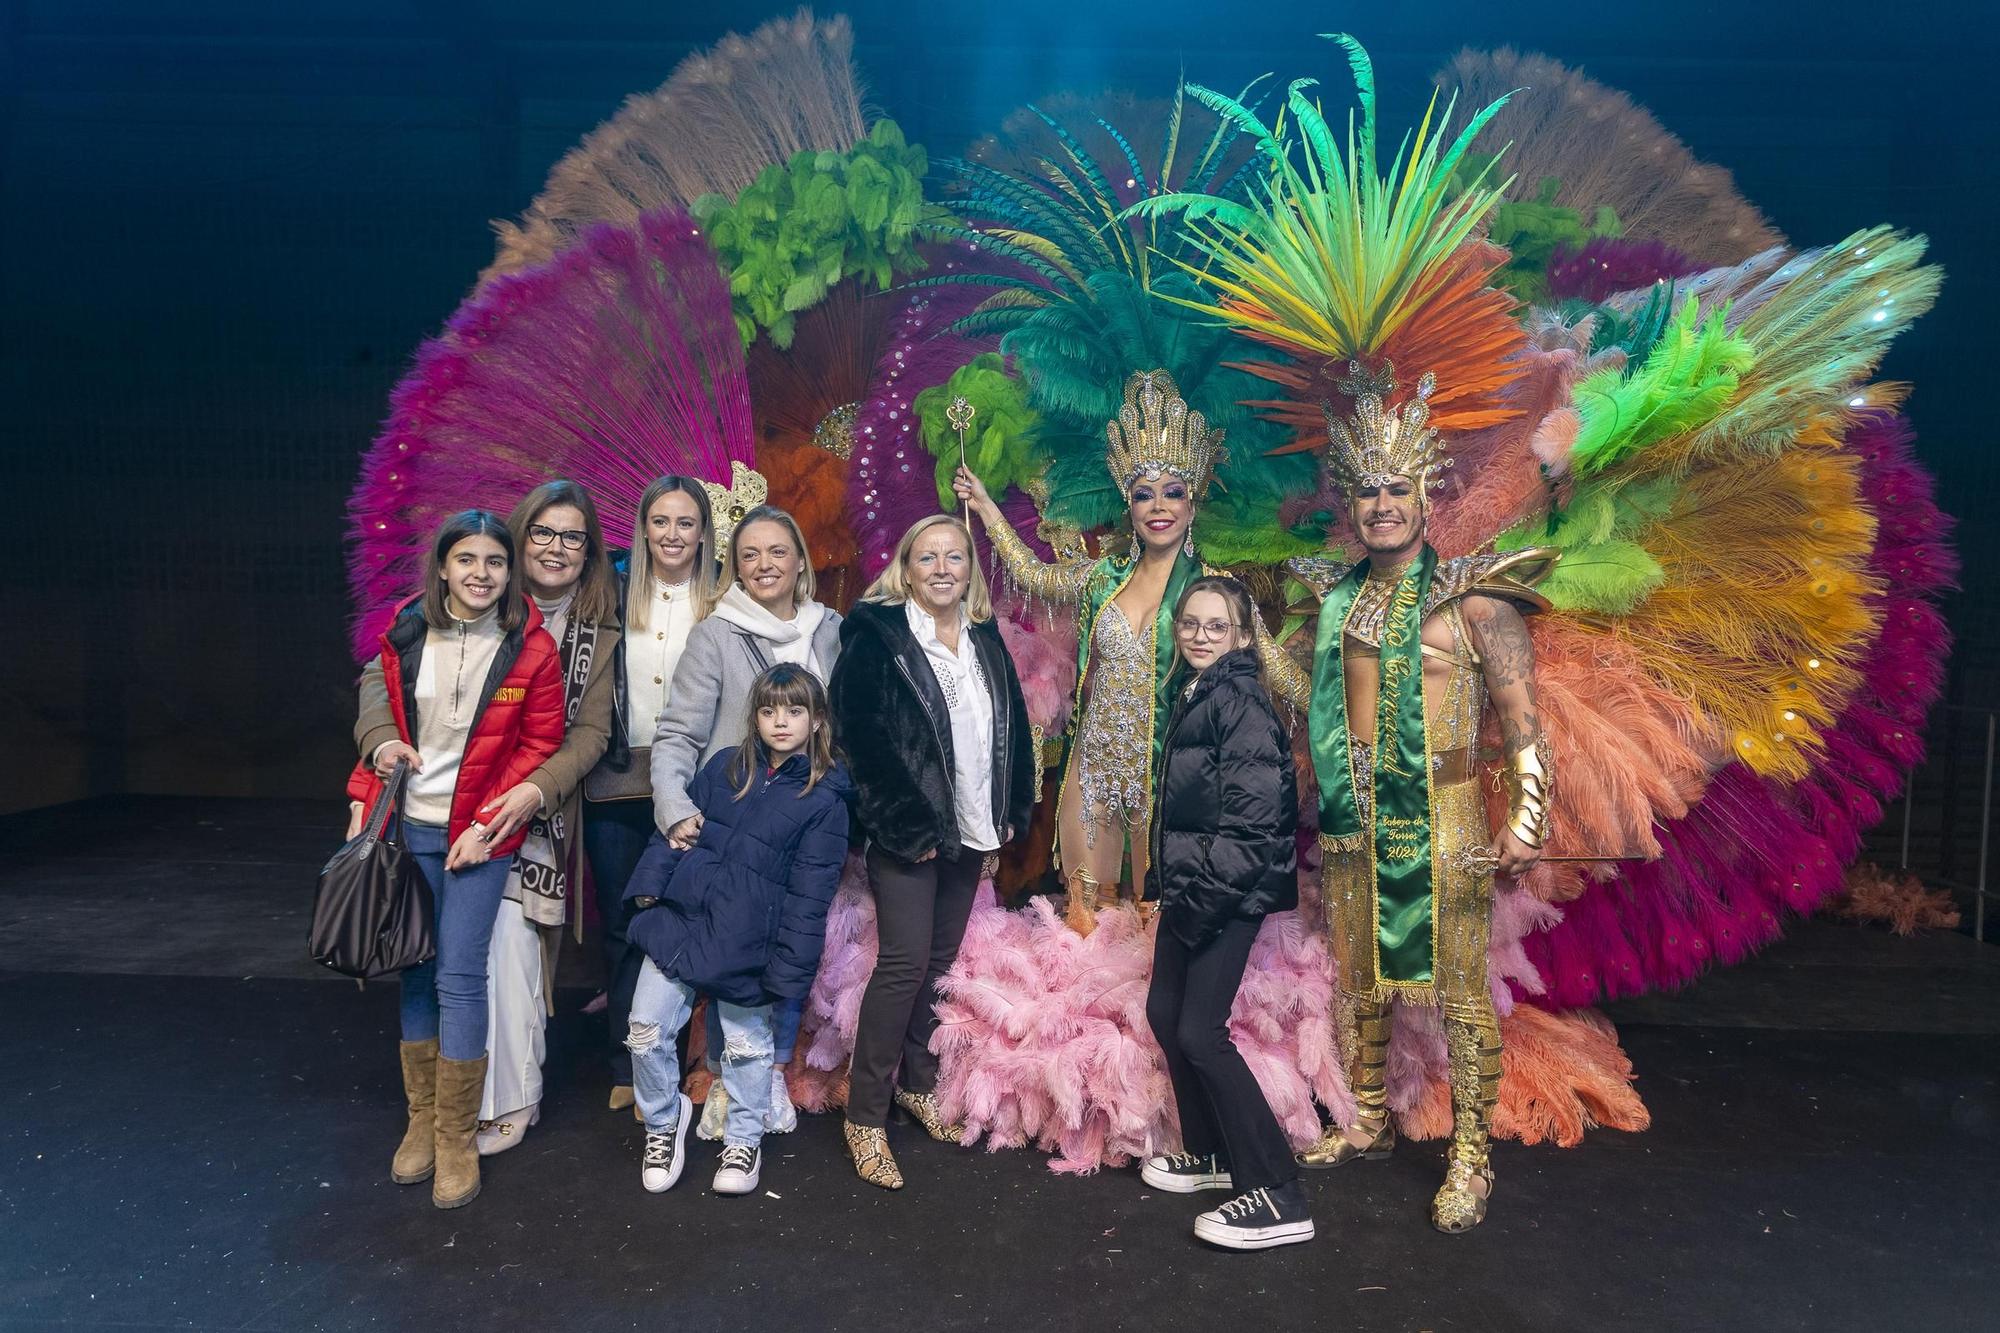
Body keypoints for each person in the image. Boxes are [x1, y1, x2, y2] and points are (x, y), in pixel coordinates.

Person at [1263, 372, 1556, 1233]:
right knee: (1361, 981)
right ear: (1350, 501)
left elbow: (1524, 724)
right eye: (1367, 489)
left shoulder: (1475, 597)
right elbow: (1311, 706)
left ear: (1425, 492)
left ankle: (1471, 1155)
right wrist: (1249, 635)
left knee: (1461, 992)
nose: (1382, 503)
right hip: (1354, 819)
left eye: (1397, 487)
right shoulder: (1333, 600)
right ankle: (1369, 1122)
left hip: (1448, 814)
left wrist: (1527, 815)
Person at [347, 509, 565, 1209]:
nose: (480, 573)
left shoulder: (529, 646)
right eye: (465, 559)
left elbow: (539, 744)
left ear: (509, 570)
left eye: (494, 562)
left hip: (479, 834)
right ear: (442, 565)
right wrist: (377, 760)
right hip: (411, 826)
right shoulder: (408, 631)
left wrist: (486, 824)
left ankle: (454, 1136)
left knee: (460, 974)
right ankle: (419, 1121)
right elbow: (378, 713)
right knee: (416, 969)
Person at [955, 369, 1217, 933]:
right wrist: (984, 504)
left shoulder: (1214, 593)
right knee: (1086, 924)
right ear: (1129, 505)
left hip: (1166, 778)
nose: (1158, 506)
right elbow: (1031, 575)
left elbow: (1258, 675)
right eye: (1143, 493)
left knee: (1154, 932)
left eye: (1173, 492)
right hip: (1094, 767)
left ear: (1193, 504)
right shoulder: (1103, 579)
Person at [829, 514, 1038, 1189]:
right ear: (906, 568)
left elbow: (1012, 724)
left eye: (955, 556)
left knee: (940, 963)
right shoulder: (876, 635)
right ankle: (864, 1115)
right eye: (928, 557)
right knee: (903, 963)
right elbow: (860, 736)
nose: (943, 567)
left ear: (969, 568)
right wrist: (904, 824)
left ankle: (918, 1085)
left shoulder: (981, 634)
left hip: (973, 828)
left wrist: (1010, 808)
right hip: (911, 833)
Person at [621, 665, 851, 1195]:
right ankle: (663, 1121)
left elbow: (810, 898)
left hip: (748, 943)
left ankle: (744, 1139)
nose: (781, 722)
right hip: (680, 920)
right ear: (755, 717)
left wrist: (789, 970)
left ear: (817, 721)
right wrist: (649, 889)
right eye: (769, 711)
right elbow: (674, 832)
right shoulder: (726, 767)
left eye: (795, 711)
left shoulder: (825, 802)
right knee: (646, 1031)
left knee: (747, 1049)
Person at [652, 504, 842, 1138]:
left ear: (799, 562)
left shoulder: (831, 631)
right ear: (735, 564)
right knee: (730, 959)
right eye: (751, 554)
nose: (765, 565)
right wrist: (676, 807)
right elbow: (678, 733)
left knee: (791, 949)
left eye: (778, 552)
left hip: (807, 820)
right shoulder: (717, 635)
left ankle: (773, 1075)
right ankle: (726, 1083)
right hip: (735, 828)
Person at [1138, 576, 1311, 1250]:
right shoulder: (1197, 691)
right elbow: (1189, 805)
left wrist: (1201, 902)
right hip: (1193, 889)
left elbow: (1252, 823)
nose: (1201, 635)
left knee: (1200, 1032)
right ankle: (1211, 1156)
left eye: (1217, 626)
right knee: (1165, 1015)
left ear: (1243, 636)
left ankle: (1279, 1190)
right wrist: (1168, 883)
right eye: (1191, 623)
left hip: (1224, 894)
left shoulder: (1238, 701)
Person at [450, 480, 620, 1154]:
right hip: (463, 802)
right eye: (543, 533)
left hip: (543, 813)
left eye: (572, 536)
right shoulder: (480, 603)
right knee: (468, 951)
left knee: (515, 946)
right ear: (519, 539)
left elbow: (591, 733)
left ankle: (513, 1097)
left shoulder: (600, 626)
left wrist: (532, 792)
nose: (556, 547)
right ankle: (465, 1090)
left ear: (589, 551)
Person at [581, 475, 720, 1114]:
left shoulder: (725, 593)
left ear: (703, 530)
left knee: (692, 923)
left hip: (694, 788)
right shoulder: (607, 586)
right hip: (615, 782)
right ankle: (626, 1065)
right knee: (625, 925)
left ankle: (686, 1061)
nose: (672, 534)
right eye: (660, 521)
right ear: (642, 527)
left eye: (685, 522)